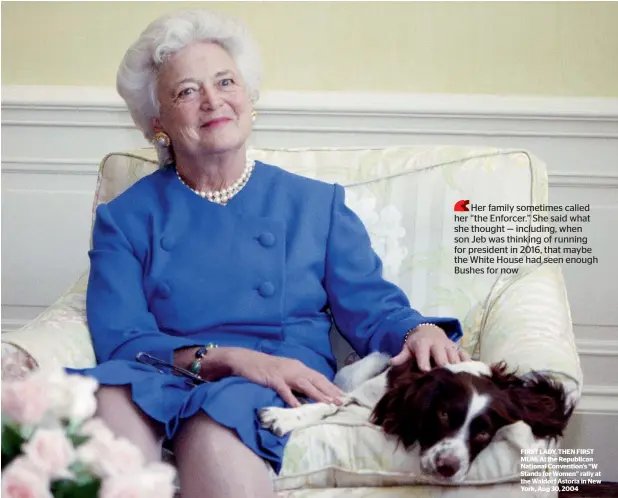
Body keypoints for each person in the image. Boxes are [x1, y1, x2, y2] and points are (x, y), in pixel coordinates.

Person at [69, 8, 469, 498]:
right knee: (110, 401)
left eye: (225, 81)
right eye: (187, 90)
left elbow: (371, 306)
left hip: (274, 373)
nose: (213, 101)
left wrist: (418, 328)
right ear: (158, 123)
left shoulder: (315, 204)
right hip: (163, 369)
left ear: (249, 98)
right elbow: (121, 340)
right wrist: (229, 358)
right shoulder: (125, 217)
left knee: (214, 430)